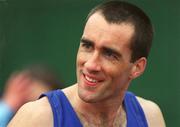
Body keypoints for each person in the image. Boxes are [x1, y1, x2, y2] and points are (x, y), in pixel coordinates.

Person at [8, 1, 166, 127]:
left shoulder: (149, 117)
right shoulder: (38, 118)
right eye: (87, 46)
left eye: (109, 54)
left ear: (137, 67)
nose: (91, 65)